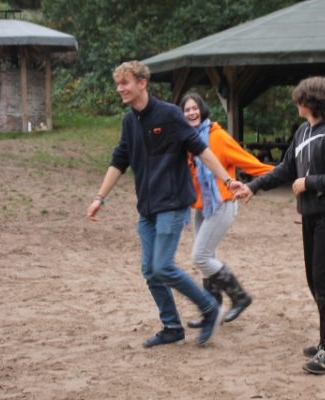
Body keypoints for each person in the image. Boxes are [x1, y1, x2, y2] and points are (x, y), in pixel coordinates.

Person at [86, 61, 241, 347]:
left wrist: (228, 180)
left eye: (125, 83)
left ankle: (209, 307)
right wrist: (99, 198)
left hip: (172, 203)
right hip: (147, 208)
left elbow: (201, 150)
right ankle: (172, 326)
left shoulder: (169, 115)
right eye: (118, 84)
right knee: (150, 270)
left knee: (162, 266)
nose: (120, 88)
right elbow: (119, 160)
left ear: (142, 83)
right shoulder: (129, 121)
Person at [233, 76, 325, 374]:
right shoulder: (303, 132)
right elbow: (286, 168)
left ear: (311, 101)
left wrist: (310, 182)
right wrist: (253, 186)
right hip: (310, 215)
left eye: (299, 99)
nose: (296, 104)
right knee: (315, 281)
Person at [180, 92, 274, 328]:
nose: (191, 113)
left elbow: (248, 161)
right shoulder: (186, 139)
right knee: (206, 258)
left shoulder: (218, 137)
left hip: (222, 204)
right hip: (201, 207)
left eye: (194, 108)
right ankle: (212, 311)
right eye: (186, 110)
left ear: (202, 110)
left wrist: (281, 174)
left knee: (200, 256)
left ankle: (240, 297)